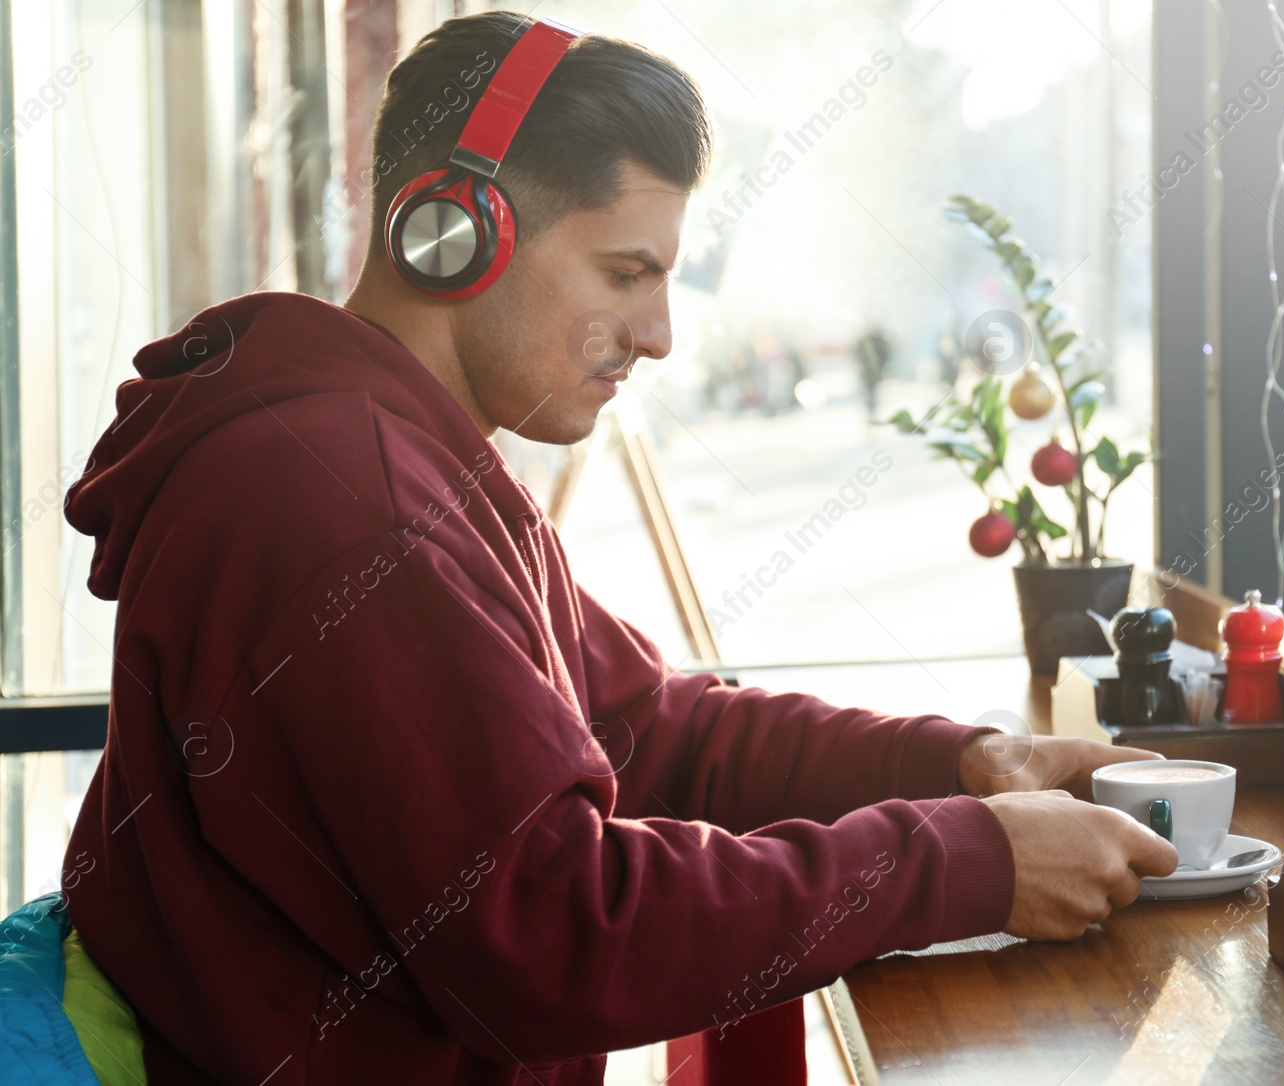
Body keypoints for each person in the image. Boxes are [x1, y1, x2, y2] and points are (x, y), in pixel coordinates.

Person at [60, 12, 1176, 1085]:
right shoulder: (342, 496)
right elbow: (550, 934)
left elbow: (646, 729)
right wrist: (970, 862)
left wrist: (965, 768)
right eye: (625, 275)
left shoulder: (409, 457)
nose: (657, 335)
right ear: (456, 233)